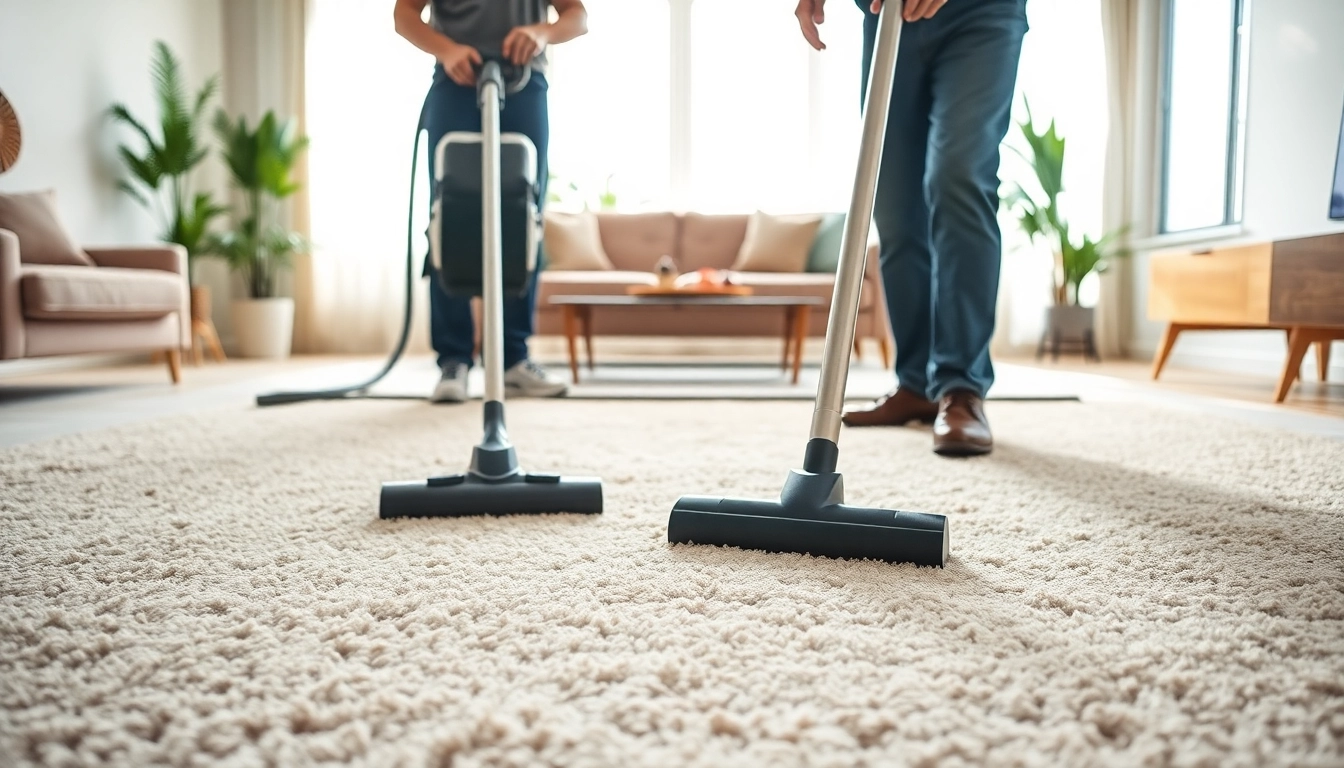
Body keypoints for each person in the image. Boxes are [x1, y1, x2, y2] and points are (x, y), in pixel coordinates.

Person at [795, 0, 1028, 455]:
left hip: (980, 15)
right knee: (895, 204)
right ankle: (917, 383)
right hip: (887, 17)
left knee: (958, 176)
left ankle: (961, 386)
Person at [394, 0, 588, 403]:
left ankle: (513, 359)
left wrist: (542, 33)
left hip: (524, 84)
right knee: (449, 216)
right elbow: (404, 15)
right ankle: (454, 360)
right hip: (455, 83)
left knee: (523, 217)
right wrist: (446, 48)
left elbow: (577, 15)